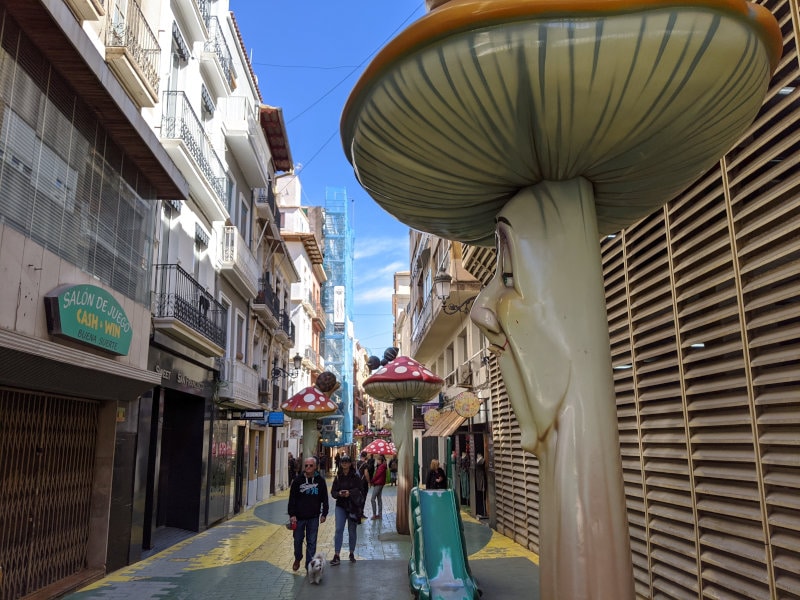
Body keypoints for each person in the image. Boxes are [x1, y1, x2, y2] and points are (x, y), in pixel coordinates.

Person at [287, 456, 328, 572]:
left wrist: (324, 513)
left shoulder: (320, 481)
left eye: (311, 465)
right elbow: (292, 499)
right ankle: (298, 558)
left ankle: (308, 566)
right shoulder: (298, 481)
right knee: (297, 540)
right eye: (306, 466)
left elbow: (324, 498)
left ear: (315, 467)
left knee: (311, 542)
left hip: (313, 517)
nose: (308, 468)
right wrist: (292, 515)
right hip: (299, 517)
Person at [330, 454, 368, 565]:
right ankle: (337, 554)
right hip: (340, 505)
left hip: (352, 507)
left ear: (350, 464)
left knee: (352, 530)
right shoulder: (338, 476)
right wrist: (339, 494)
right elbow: (333, 492)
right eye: (343, 462)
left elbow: (360, 490)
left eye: (346, 462)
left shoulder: (355, 477)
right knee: (338, 529)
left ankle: (351, 553)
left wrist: (349, 493)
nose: (344, 464)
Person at [369, 454, 387, 519]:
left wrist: (371, 481)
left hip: (378, 484)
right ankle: (379, 515)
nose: (377, 461)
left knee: (372, 499)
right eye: (377, 460)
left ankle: (374, 514)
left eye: (378, 460)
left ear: (381, 461)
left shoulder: (381, 467)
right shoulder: (381, 466)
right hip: (380, 483)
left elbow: (377, 476)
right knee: (379, 499)